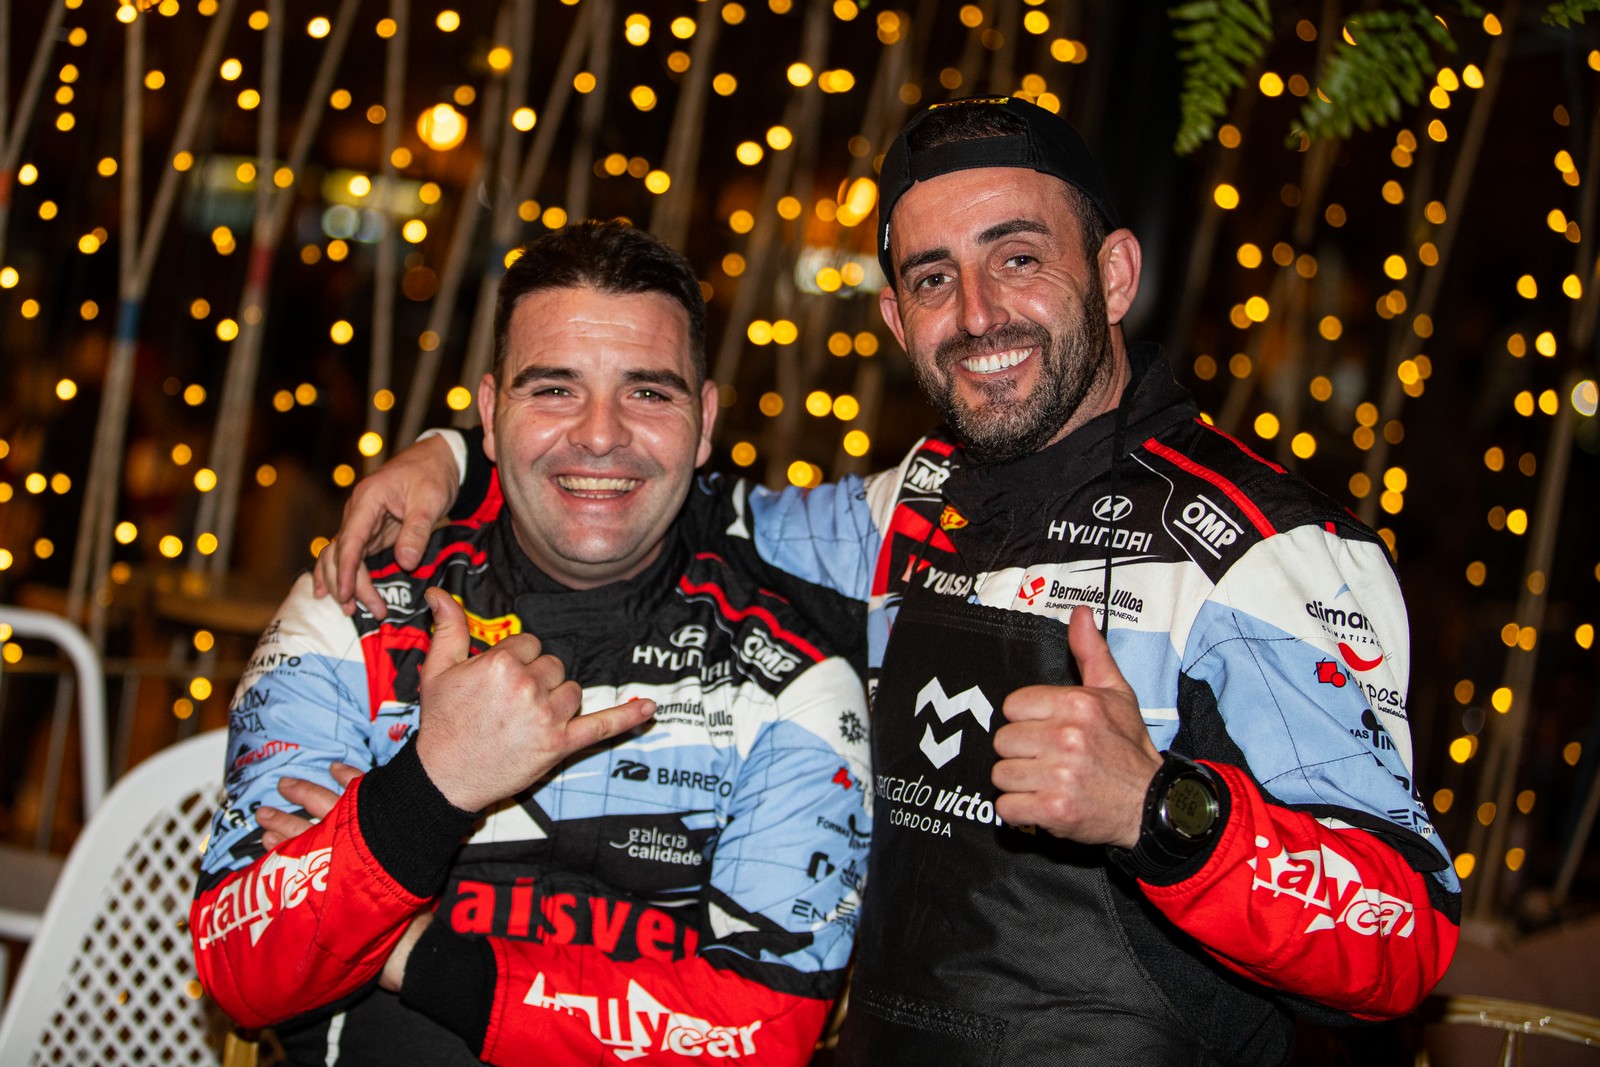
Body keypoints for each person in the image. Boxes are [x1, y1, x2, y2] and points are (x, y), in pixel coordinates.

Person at [323, 98, 1460, 1064]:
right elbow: (650, 492)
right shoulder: (905, 507)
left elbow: (1401, 936)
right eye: (933, 277)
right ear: (895, 318)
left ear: (1113, 274)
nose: (978, 313)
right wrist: (455, 454)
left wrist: (1162, 812)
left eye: (1018, 257)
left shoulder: (1269, 551)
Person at [192, 221, 872, 1065]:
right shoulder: (355, 607)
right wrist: (436, 781)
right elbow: (244, 965)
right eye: (554, 389)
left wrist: (412, 950)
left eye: (648, 393)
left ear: (703, 424)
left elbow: (758, 1032)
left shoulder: (793, 677)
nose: (599, 434)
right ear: (489, 414)